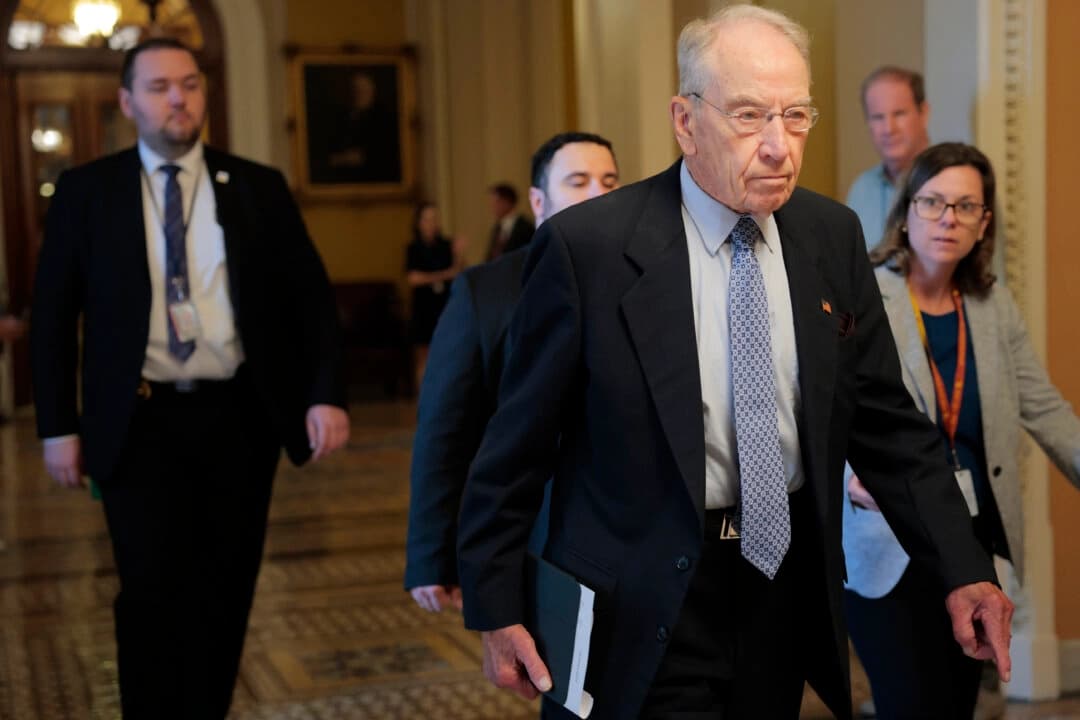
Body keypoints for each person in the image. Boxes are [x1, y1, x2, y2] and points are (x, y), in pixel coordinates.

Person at [455, 7, 1013, 720]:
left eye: (796, 116)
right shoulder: (588, 251)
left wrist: (963, 569)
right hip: (638, 603)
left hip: (778, 597)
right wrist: (497, 605)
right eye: (749, 116)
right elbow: (516, 446)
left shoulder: (830, 236)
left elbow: (887, 425)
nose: (779, 146)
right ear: (685, 121)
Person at [30, 38, 349, 719]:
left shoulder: (257, 186)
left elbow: (312, 300)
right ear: (127, 102)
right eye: (159, 87)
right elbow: (53, 317)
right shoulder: (88, 192)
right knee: (150, 591)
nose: (178, 98)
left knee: (225, 589)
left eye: (190, 84)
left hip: (238, 418)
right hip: (137, 422)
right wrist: (57, 426)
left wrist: (324, 394)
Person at [842, 142, 1080, 719]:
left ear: (984, 222)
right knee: (909, 703)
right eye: (933, 202)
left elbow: (1045, 408)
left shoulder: (993, 306)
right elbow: (825, 405)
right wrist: (848, 475)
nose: (948, 218)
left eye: (966, 206)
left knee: (956, 703)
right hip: (888, 538)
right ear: (906, 211)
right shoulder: (865, 295)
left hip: (974, 545)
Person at [404, 132, 619, 613]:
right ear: (539, 202)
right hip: (530, 531)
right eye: (578, 181)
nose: (598, 194)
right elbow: (444, 431)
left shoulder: (645, 280)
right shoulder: (486, 291)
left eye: (609, 182)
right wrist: (430, 554)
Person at [846, 66, 931, 250]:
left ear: (923, 113)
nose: (889, 129)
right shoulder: (861, 190)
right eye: (878, 117)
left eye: (899, 114)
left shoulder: (952, 186)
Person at [405, 202, 463, 391]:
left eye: (434, 219)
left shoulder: (445, 245)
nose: (431, 223)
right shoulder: (414, 248)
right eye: (427, 219)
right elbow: (413, 278)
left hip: (444, 305)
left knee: (448, 352)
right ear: (419, 223)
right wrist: (443, 275)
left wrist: (458, 255)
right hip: (423, 306)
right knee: (423, 354)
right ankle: (423, 395)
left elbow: (458, 273)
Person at [485, 182, 533, 260]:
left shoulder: (525, 227)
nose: (492, 206)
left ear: (507, 202)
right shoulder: (497, 229)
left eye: (496, 201)